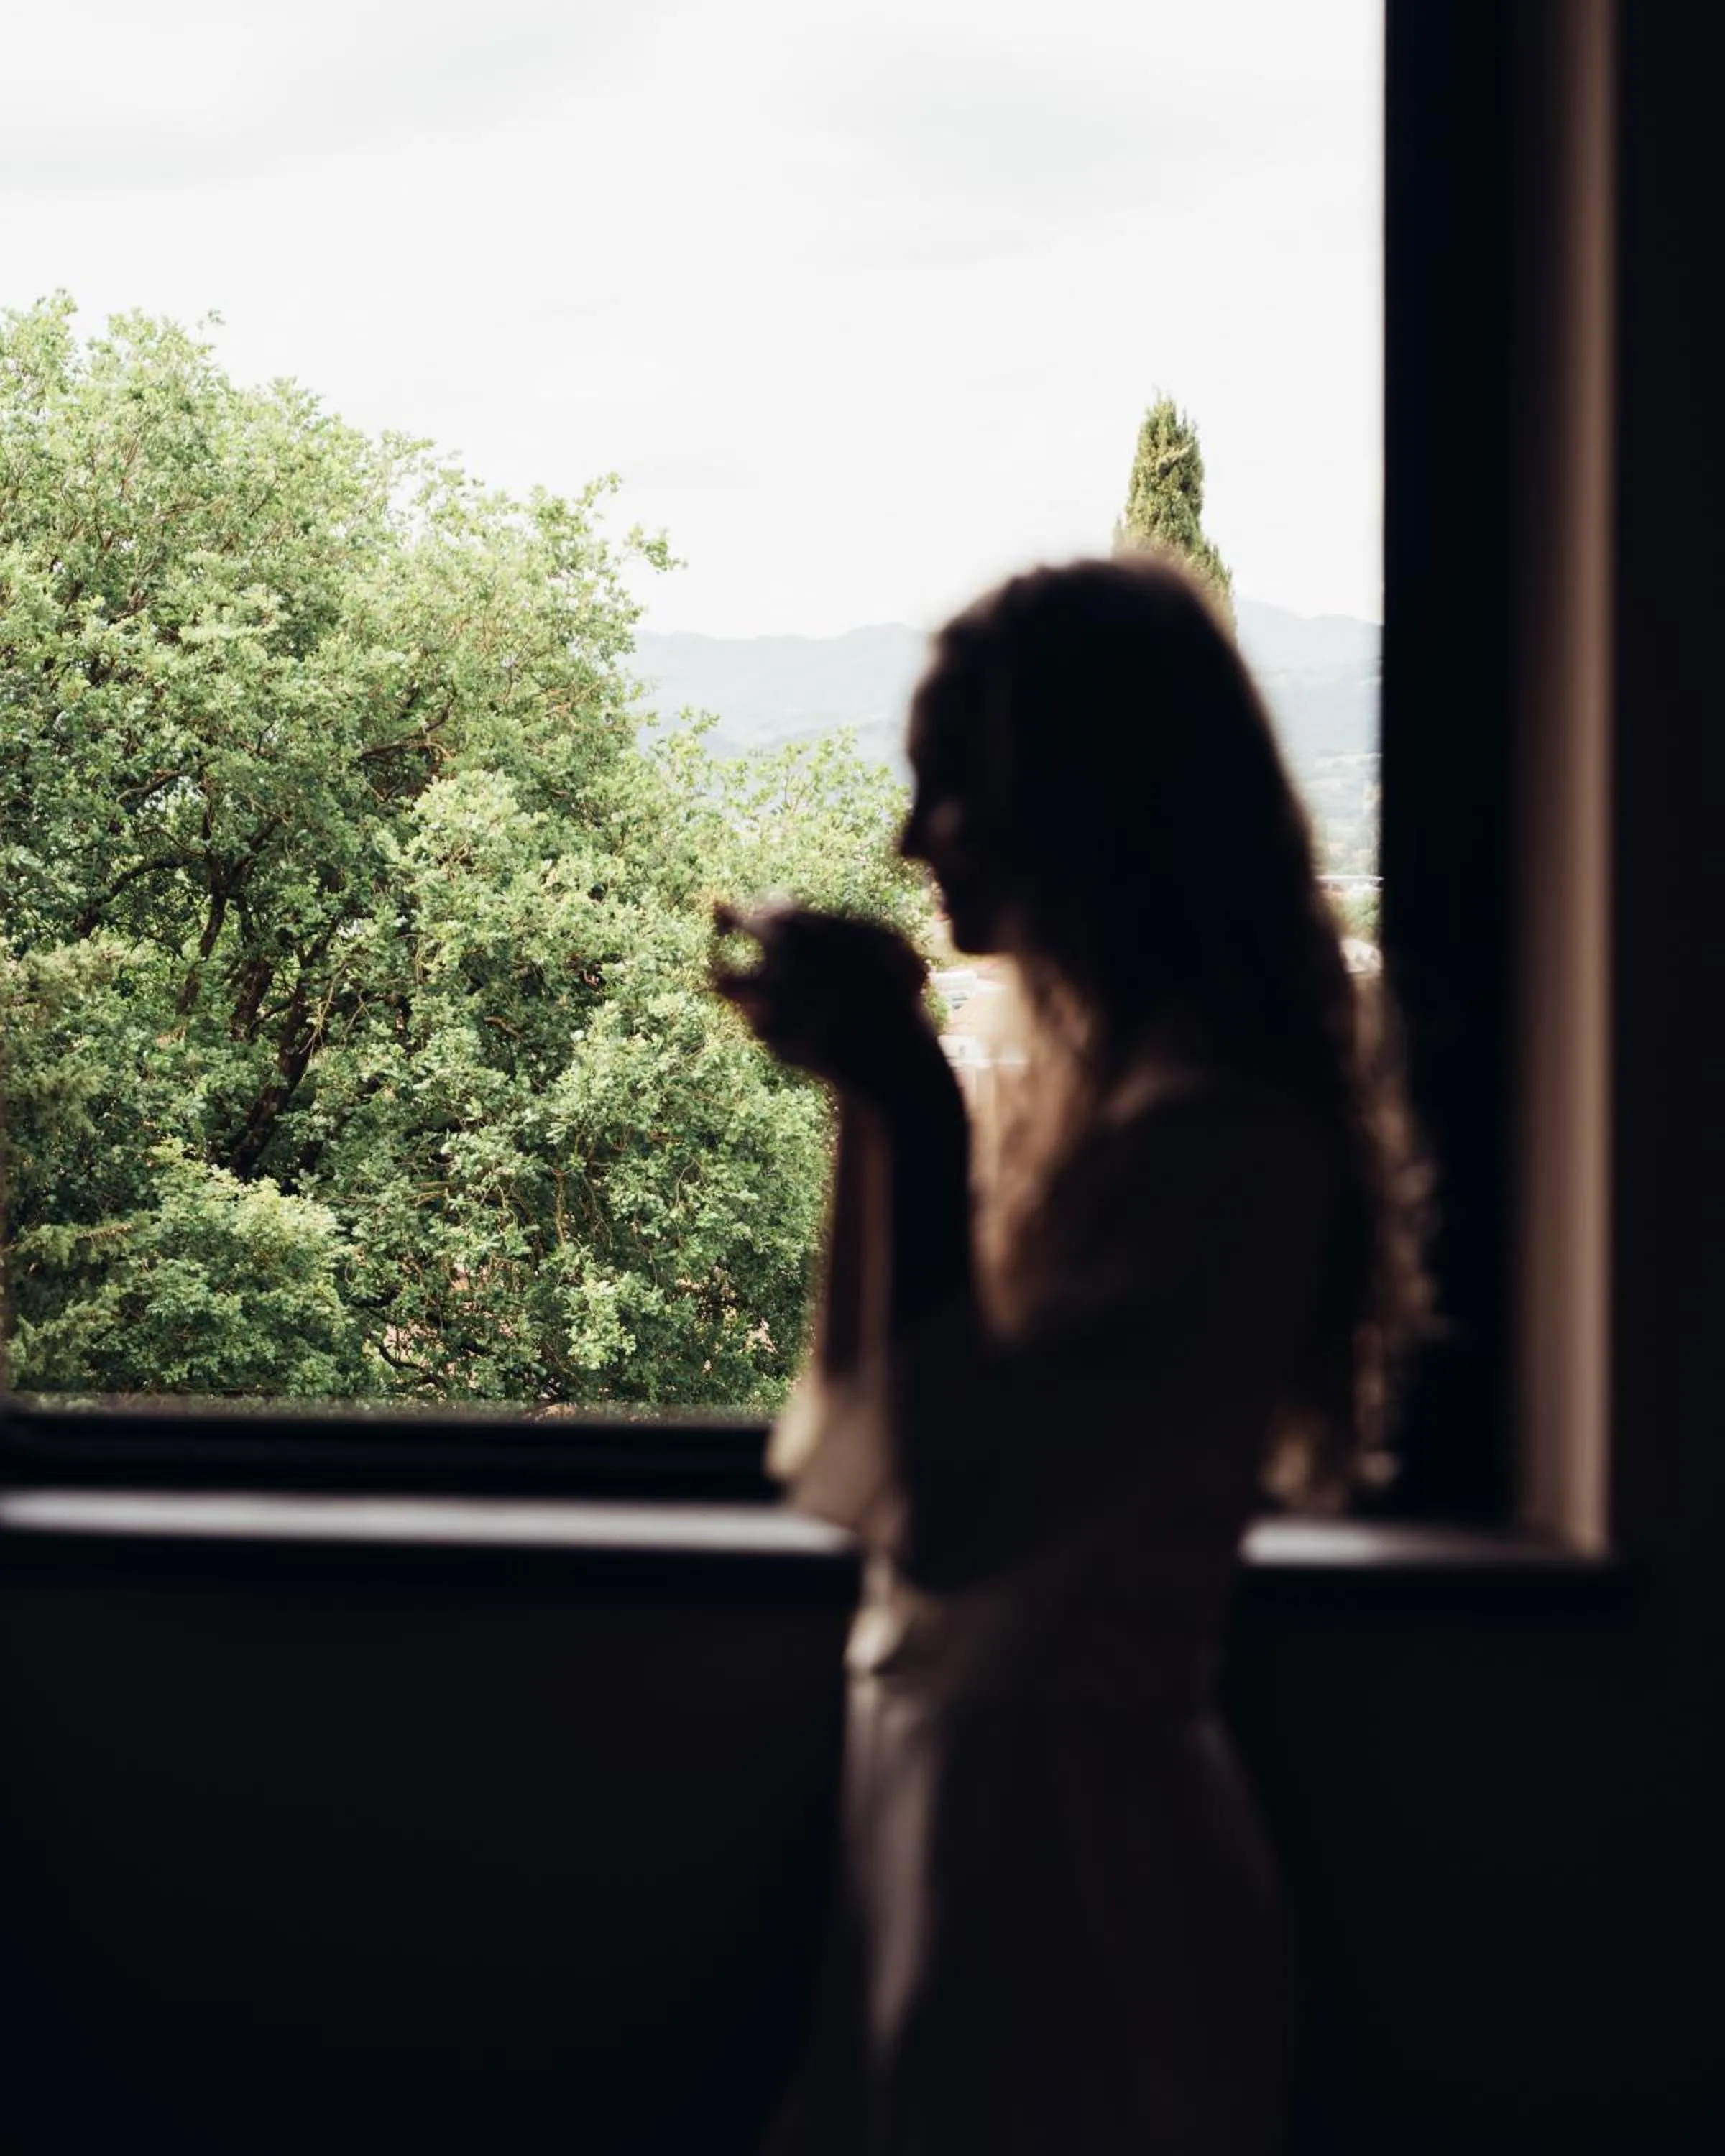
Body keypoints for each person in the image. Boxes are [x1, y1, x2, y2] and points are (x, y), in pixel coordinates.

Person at [713, 554, 1427, 2156]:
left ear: (1088, 801)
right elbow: (864, 1442)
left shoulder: (1226, 1146)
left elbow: (953, 1513)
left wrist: (902, 1095)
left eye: (950, 788)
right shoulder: (1094, 1110)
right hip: (950, 1823)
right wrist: (866, 1095)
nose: (909, 840)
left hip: (1081, 1877)